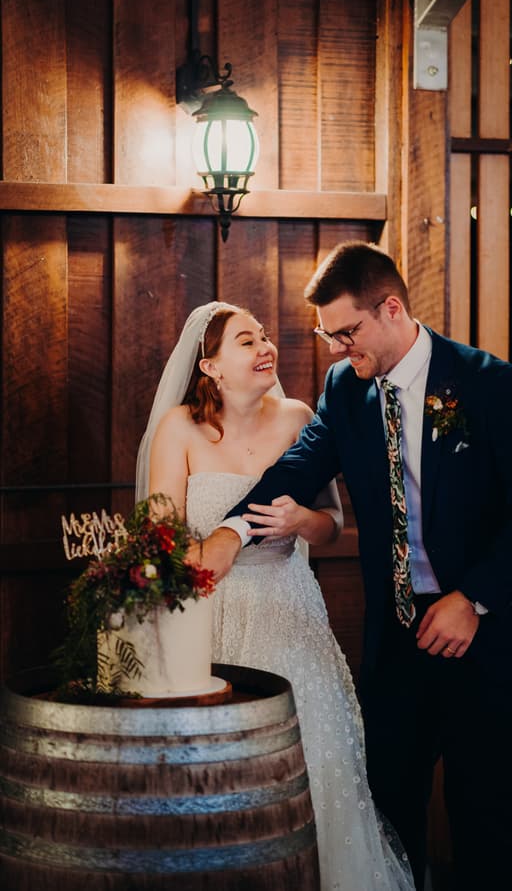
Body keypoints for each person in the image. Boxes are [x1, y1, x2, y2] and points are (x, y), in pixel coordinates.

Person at [201, 242, 512, 891]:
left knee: (481, 819)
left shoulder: (490, 385)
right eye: (330, 337)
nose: (339, 350)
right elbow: (298, 468)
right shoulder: (344, 389)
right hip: (399, 644)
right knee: (389, 814)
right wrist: (231, 530)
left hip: (487, 638)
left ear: (393, 308)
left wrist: (473, 598)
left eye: (347, 332)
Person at [135, 300, 416, 891]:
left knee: (317, 760)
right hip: (208, 618)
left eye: (265, 337)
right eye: (246, 341)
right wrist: (195, 557)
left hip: (289, 610)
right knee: (217, 777)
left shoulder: (297, 417)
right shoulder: (179, 428)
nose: (266, 348)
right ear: (209, 366)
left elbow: (332, 524)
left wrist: (298, 523)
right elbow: (158, 538)